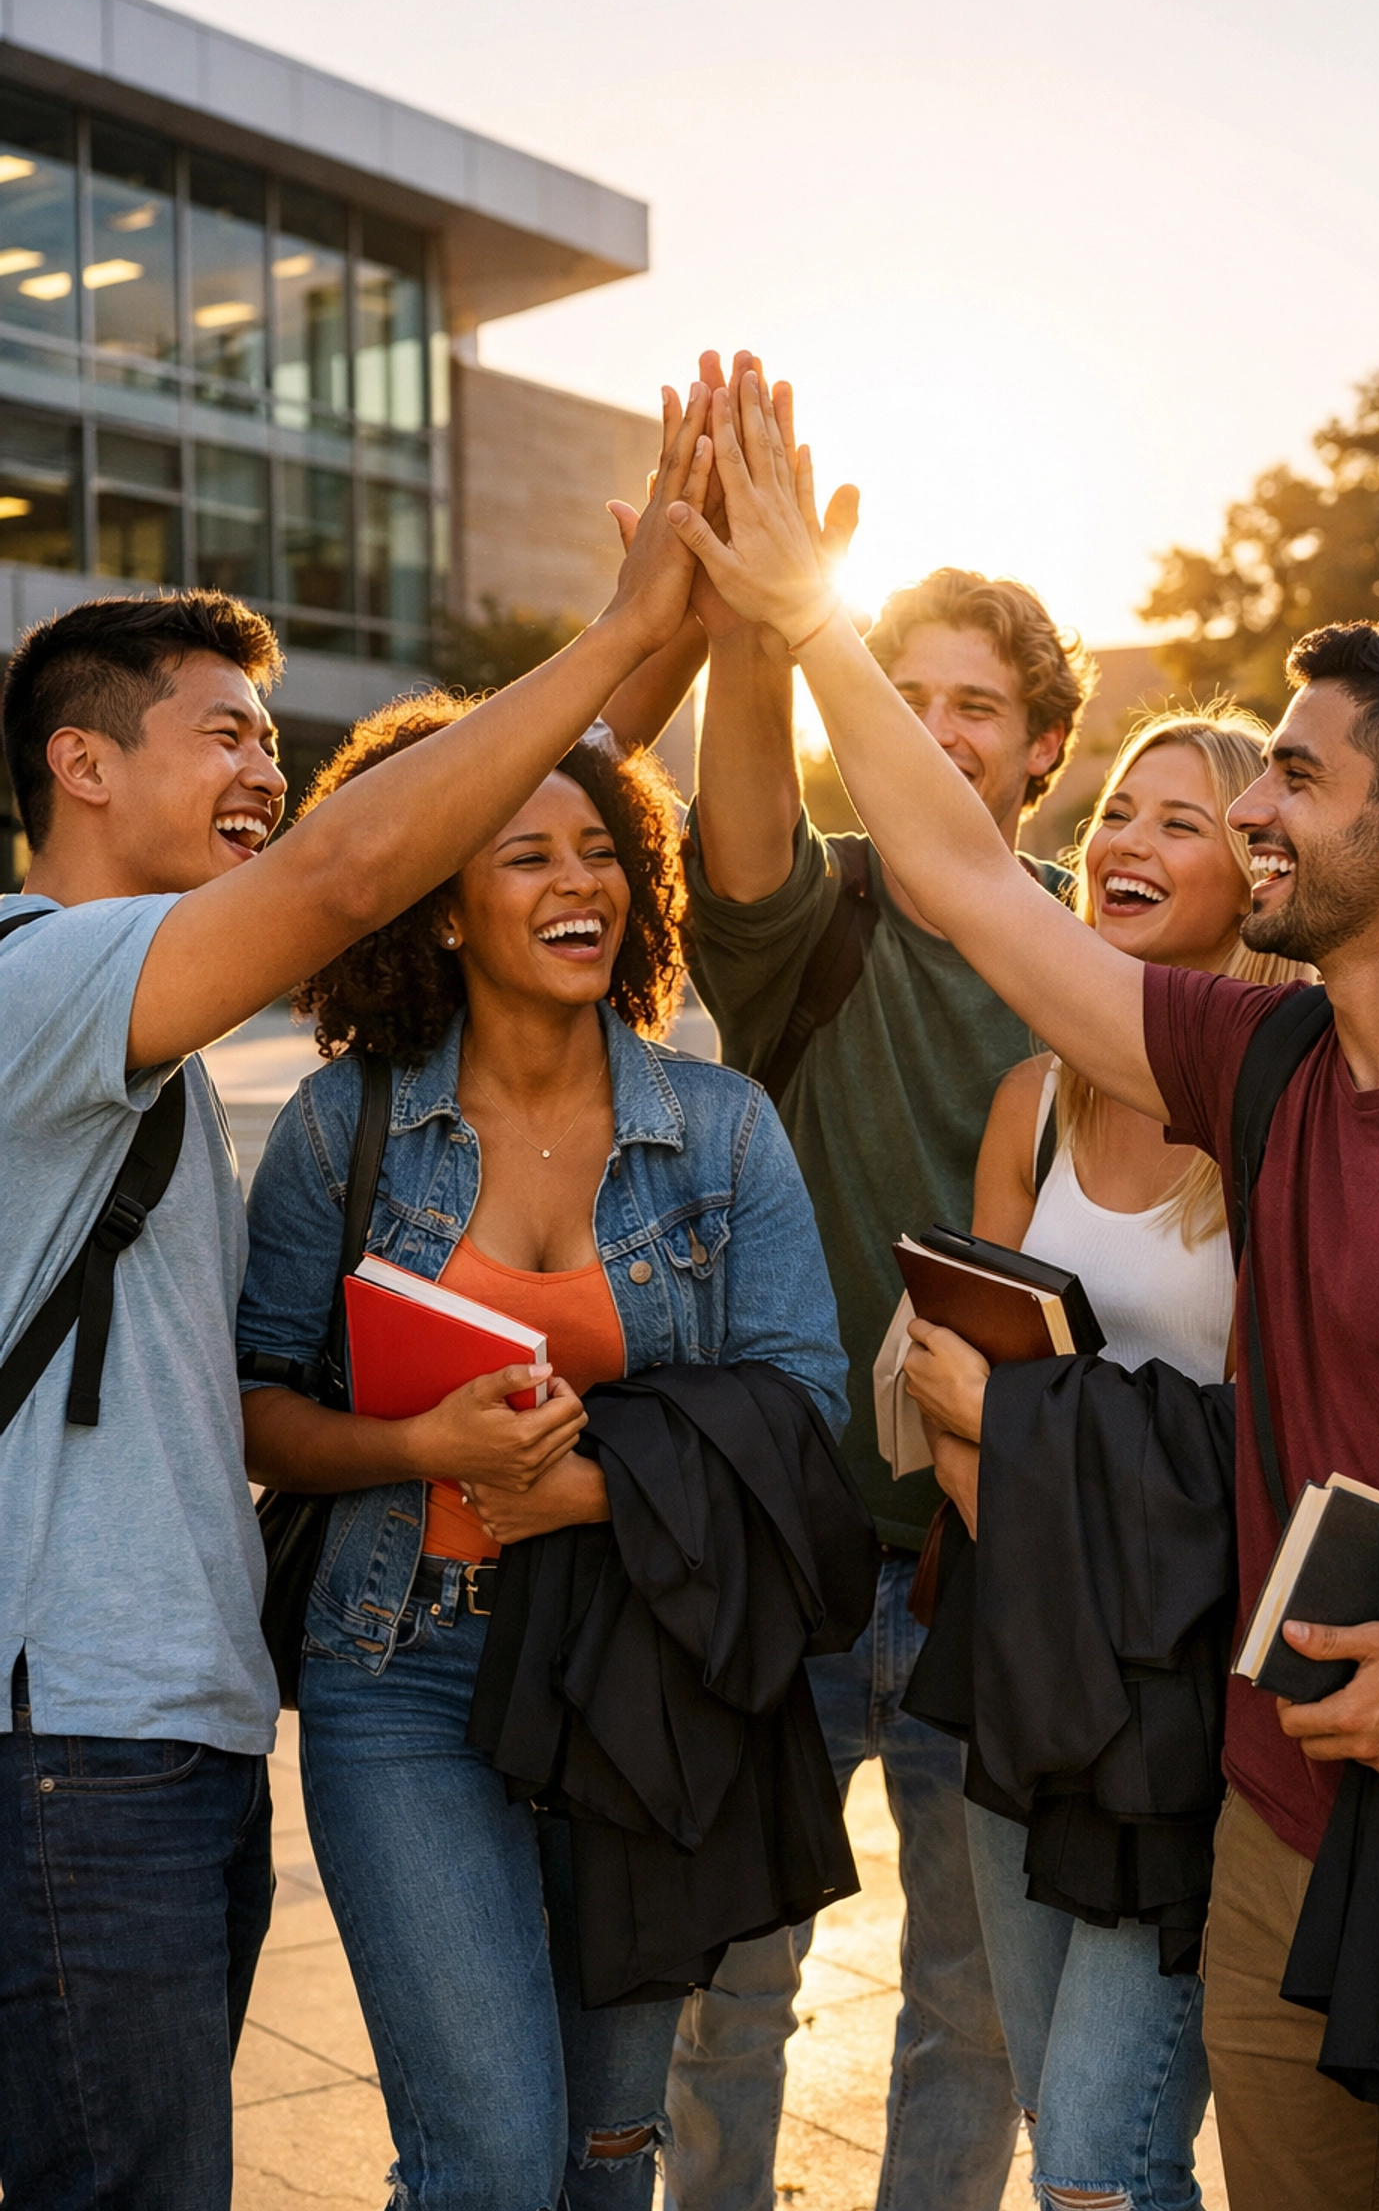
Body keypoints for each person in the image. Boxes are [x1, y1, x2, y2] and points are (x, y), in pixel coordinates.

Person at [666, 368, 1379, 2209]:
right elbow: (977, 886)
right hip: (1264, 1820)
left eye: (1294, 778)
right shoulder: (1258, 1058)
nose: (1253, 810)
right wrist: (800, 621)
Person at [0, 380, 718, 2210]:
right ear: (82, 766)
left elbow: (467, 852)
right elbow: (356, 862)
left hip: (157, 1730)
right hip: (72, 1749)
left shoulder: (131, 1024)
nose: (268, 771)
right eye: (227, 734)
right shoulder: (41, 982)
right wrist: (622, 630)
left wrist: (666, 660)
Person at [235, 696, 850, 2211]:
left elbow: (805, 1400)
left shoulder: (720, 1132)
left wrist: (585, 1489)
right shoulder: (342, 1130)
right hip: (406, 1678)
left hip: (641, 1680)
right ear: (443, 904)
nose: (579, 884)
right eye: (525, 856)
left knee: (602, 2152)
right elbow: (247, 1407)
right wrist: (415, 1442)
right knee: (491, 2162)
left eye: (602, 851)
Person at [665, 359, 1091, 2211]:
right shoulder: (810, 914)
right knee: (727, 1990)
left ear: (1041, 754)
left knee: (975, 2010)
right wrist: (766, 625)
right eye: (902, 696)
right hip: (794, 1550)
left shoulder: (1094, 951)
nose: (935, 732)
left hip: (998, 1570)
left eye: (975, 710)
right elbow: (741, 807)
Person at [902, 708, 1309, 2211]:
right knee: (1052, 2106)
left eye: (1179, 822)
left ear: (1258, 875)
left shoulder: (1285, 1122)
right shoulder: (1034, 1100)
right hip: (1022, 1662)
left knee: (1097, 2160)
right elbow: (956, 1385)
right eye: (1119, 813)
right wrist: (1012, 1472)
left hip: (1192, 1693)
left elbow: (1272, 1442)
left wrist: (1027, 1466)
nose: (1125, 843)